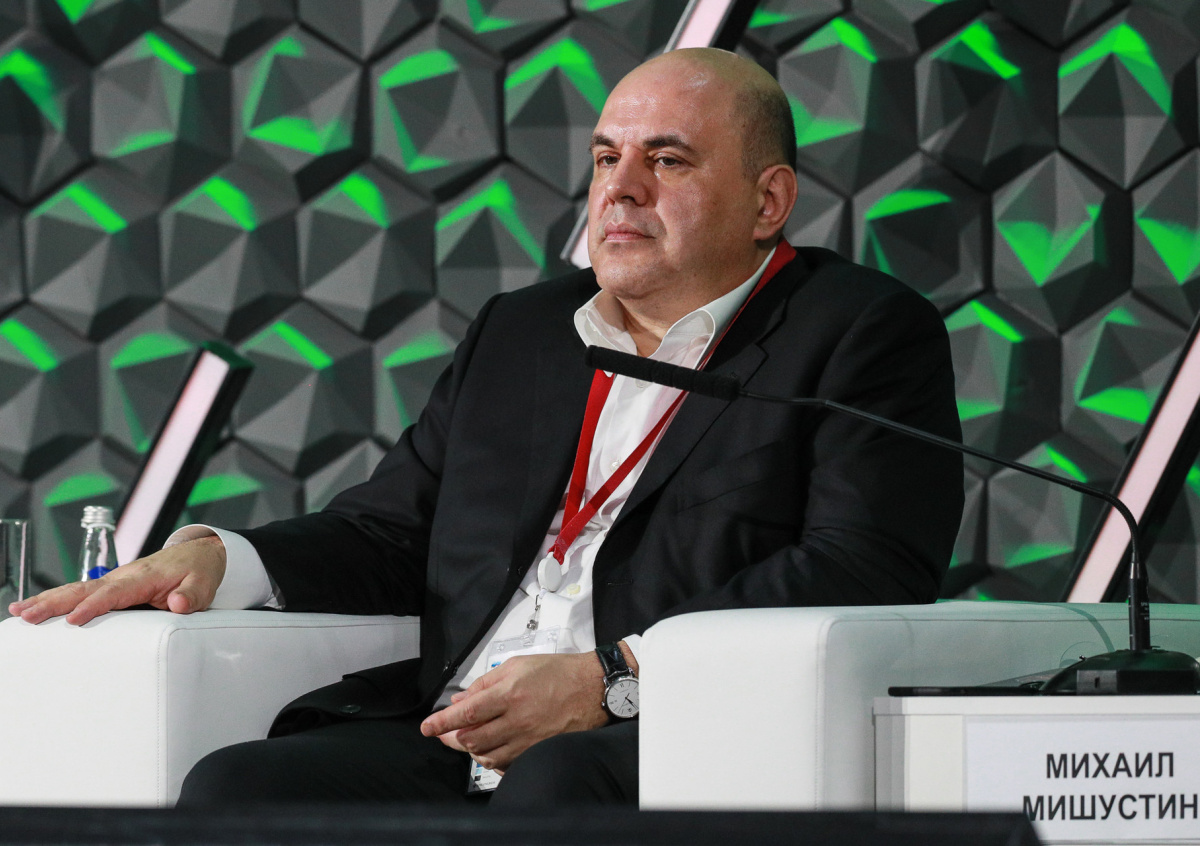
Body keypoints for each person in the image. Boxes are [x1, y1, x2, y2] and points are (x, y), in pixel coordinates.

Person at [8, 48, 963, 806]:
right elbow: (391, 530)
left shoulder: (860, 333)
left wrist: (613, 680)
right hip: (453, 726)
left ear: (769, 201)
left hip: (662, 733)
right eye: (606, 158)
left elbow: (863, 564)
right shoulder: (525, 332)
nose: (621, 189)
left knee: (557, 784)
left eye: (667, 160)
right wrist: (221, 560)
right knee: (240, 787)